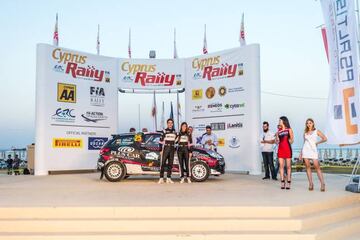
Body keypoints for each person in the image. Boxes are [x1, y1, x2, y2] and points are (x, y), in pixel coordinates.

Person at [299, 118, 327, 192]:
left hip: (313, 151)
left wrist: (317, 143)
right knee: (308, 167)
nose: (309, 124)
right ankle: (311, 184)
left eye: (310, 123)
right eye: (307, 123)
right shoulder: (305, 133)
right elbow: (304, 143)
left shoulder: (316, 131)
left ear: (313, 123)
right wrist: (301, 153)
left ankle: (322, 184)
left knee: (317, 167)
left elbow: (325, 138)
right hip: (305, 150)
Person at [276, 116, 294, 190]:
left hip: (287, 149)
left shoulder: (289, 129)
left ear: (284, 121)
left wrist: (289, 140)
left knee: (288, 167)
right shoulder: (278, 131)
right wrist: (277, 140)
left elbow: (292, 140)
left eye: (280, 120)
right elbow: (277, 141)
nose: (279, 121)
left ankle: (289, 181)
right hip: (280, 149)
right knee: (281, 166)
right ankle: (282, 182)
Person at [158, 119, 177, 184]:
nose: (170, 124)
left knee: (170, 164)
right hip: (166, 148)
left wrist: (175, 149)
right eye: (169, 123)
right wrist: (160, 150)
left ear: (172, 124)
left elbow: (176, 141)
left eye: (171, 123)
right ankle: (161, 178)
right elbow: (160, 141)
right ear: (167, 124)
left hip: (172, 148)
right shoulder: (164, 131)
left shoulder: (175, 132)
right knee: (163, 163)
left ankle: (168, 178)